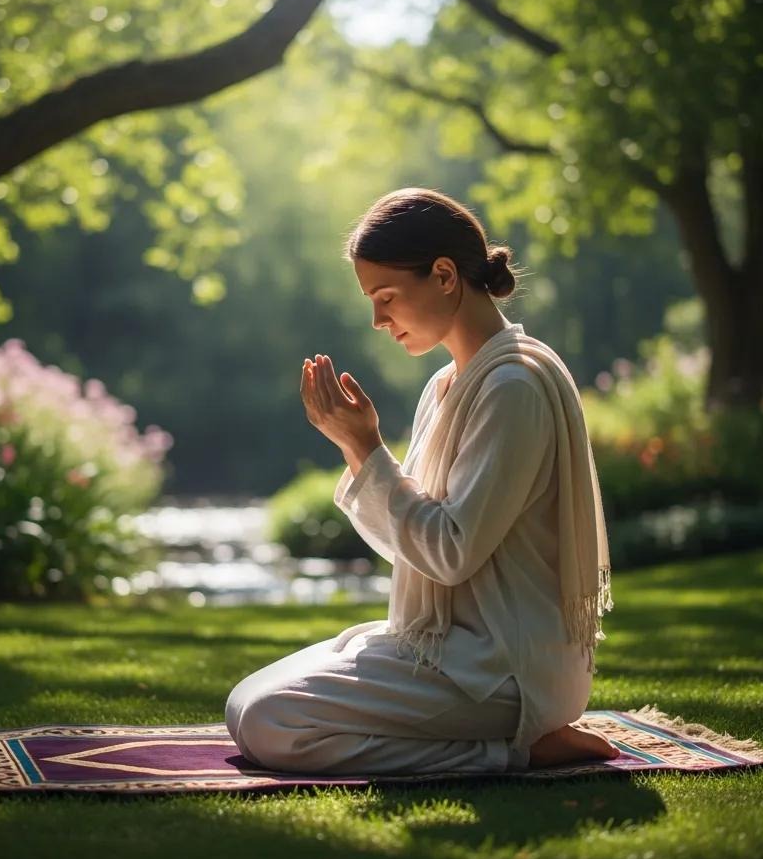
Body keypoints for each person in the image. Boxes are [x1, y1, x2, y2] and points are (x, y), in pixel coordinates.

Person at [225, 187, 619, 774]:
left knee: (270, 722)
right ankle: (506, 745)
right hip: (449, 648)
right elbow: (414, 549)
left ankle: (512, 749)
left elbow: (451, 553)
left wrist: (366, 447)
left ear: (442, 276)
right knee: (241, 705)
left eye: (386, 297)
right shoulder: (445, 386)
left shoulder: (513, 387)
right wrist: (358, 452)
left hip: (506, 669)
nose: (378, 320)